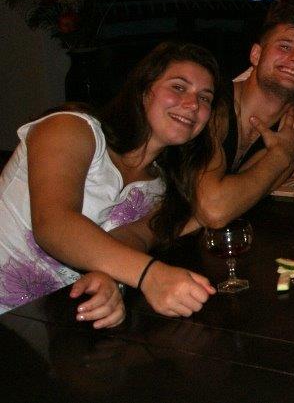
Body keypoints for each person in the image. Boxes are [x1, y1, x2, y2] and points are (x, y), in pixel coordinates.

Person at [0, 42, 224, 321]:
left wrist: (110, 280)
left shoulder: (162, 188)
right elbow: (53, 223)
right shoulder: (71, 128)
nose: (192, 104)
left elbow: (134, 239)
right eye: (178, 87)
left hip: (51, 323)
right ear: (143, 90)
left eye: (204, 98)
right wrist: (149, 275)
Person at [194, 0, 294, 230]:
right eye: (285, 46)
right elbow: (215, 210)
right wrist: (283, 155)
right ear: (256, 55)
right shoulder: (211, 105)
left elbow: (243, 194)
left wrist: (291, 165)